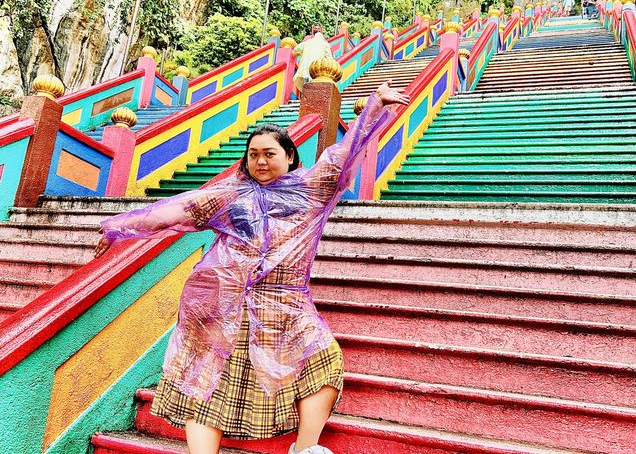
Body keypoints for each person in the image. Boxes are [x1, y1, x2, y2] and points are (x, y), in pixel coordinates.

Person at [95, 81, 410, 454]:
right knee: (206, 387)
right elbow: (177, 210)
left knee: (323, 362)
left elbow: (343, 154)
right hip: (223, 303)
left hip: (285, 303)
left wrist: (374, 107)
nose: (260, 161)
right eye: (253, 154)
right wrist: (117, 228)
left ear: (291, 156)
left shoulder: (312, 189)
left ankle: (306, 449)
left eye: (269, 153)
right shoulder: (231, 195)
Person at [293, 25, 333, 96]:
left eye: (318, 28)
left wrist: (300, 53)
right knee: (315, 84)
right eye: (315, 28)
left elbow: (295, 50)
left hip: (305, 68)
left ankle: (305, 97)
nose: (317, 29)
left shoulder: (307, 42)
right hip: (316, 68)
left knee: (306, 84)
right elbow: (329, 58)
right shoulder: (325, 44)